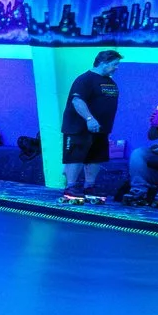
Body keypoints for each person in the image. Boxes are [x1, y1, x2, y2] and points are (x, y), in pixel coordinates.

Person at [61, 49, 122, 204]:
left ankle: (90, 187)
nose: (117, 68)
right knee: (76, 156)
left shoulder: (110, 81)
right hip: (79, 128)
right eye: (114, 64)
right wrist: (89, 118)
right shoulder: (85, 79)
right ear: (103, 62)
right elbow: (77, 101)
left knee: (95, 157)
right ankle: (71, 187)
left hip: (101, 129)